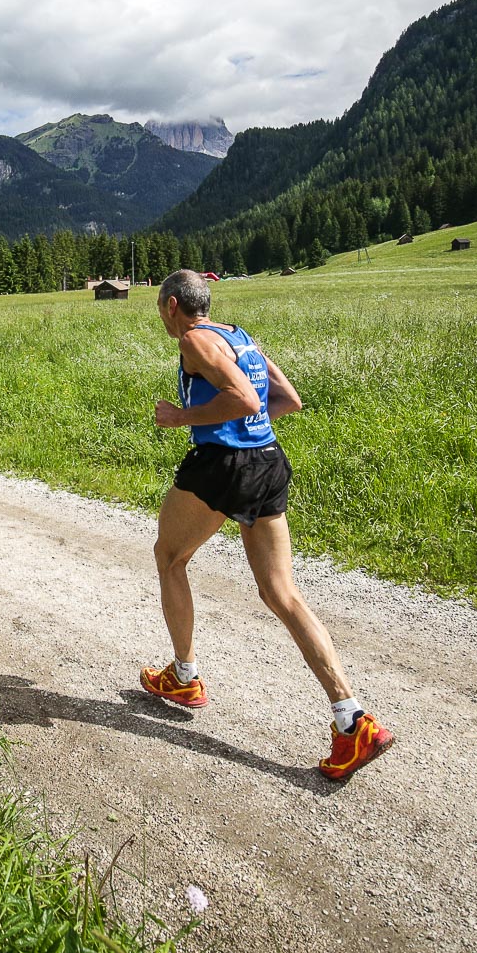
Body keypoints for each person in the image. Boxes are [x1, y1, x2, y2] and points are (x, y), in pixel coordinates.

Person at [138, 270, 395, 780]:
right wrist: (239, 423)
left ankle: (185, 677)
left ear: (171, 305)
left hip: (223, 467)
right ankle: (352, 720)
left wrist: (181, 418)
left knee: (170, 557)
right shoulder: (242, 337)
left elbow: (247, 401)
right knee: (282, 593)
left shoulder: (193, 339)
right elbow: (286, 401)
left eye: (159, 309)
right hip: (267, 460)